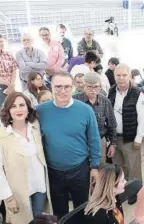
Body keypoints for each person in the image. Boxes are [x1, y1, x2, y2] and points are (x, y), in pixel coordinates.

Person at [36, 72, 101, 223]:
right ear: (51, 87)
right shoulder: (40, 111)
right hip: (53, 172)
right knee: (59, 212)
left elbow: (94, 140)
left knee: (82, 208)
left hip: (80, 170)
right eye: (58, 86)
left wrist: (95, 167)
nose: (62, 90)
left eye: (66, 86)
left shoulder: (85, 110)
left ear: (73, 88)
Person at [0, 92, 52, 223]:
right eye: (13, 106)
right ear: (8, 110)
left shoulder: (35, 127)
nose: (18, 109)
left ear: (28, 108)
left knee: (38, 219)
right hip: (17, 192)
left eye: (22, 105)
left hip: (40, 186)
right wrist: (8, 197)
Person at [108, 64, 144, 187]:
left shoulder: (137, 93)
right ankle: (123, 189)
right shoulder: (111, 91)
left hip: (131, 139)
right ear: (114, 76)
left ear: (130, 76)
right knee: (119, 167)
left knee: (133, 167)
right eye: (118, 75)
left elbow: (143, 117)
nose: (121, 78)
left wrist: (139, 138)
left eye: (124, 75)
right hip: (115, 139)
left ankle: (135, 191)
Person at [73, 73, 117, 165]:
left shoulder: (105, 101)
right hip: (79, 143)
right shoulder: (74, 101)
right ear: (84, 86)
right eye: (89, 87)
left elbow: (112, 124)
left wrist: (113, 144)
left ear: (100, 86)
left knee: (100, 169)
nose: (93, 90)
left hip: (99, 141)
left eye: (96, 87)